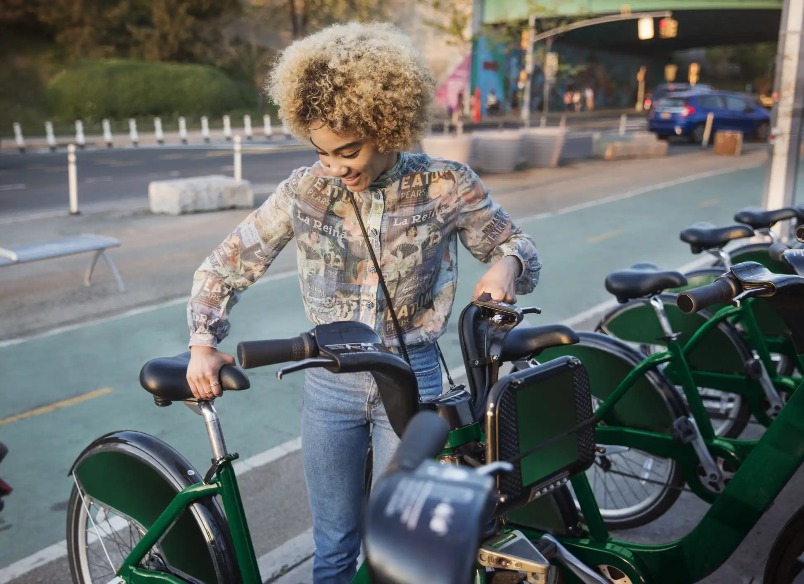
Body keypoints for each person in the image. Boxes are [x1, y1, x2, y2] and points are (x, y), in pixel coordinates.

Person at [185, 21, 540, 584]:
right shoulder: (305, 191)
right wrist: (203, 342)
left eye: (348, 150)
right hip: (329, 383)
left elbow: (515, 243)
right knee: (334, 549)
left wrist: (505, 266)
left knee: (400, 550)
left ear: (387, 125)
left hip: (416, 380)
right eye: (322, 152)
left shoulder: (445, 185)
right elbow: (225, 266)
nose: (335, 167)